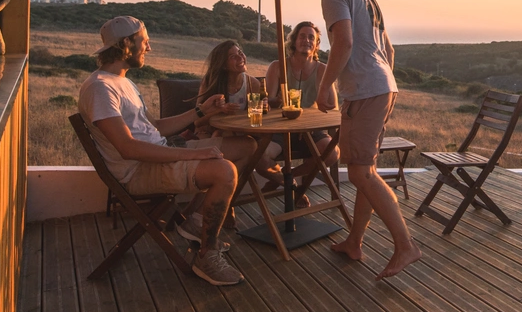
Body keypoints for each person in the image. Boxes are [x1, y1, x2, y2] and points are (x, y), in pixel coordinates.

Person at [78, 16, 253, 286]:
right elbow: (128, 148)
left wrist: (201, 111)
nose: (149, 48)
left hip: (161, 152)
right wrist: (194, 154)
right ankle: (207, 254)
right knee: (224, 172)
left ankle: (195, 222)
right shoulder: (100, 88)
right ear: (126, 44)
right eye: (144, 41)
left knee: (246, 146)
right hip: (139, 170)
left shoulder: (123, 82)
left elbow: (156, 127)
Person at [301, 0, 421, 279]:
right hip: (382, 87)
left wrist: (325, 87)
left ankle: (405, 245)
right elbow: (389, 50)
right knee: (365, 169)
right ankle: (354, 241)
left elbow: (344, 41)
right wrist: (381, 81)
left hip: (366, 91)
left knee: (359, 172)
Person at [264, 22, 339, 206]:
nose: (307, 40)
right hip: (281, 128)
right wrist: (276, 101)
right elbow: (268, 102)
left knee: (332, 153)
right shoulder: (278, 67)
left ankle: (287, 178)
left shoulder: (322, 70)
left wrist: (313, 118)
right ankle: (292, 187)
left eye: (311, 37)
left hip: (311, 129)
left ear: (316, 44)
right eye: (302, 36)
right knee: (260, 155)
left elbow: (333, 108)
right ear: (294, 41)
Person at [195, 40, 283, 189]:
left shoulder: (252, 84)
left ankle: (288, 184)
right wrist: (218, 110)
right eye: (233, 56)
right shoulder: (211, 83)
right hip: (210, 133)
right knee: (238, 153)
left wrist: (265, 107)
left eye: (240, 53)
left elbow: (259, 117)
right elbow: (198, 122)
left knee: (254, 154)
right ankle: (288, 183)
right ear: (223, 65)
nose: (240, 57)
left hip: (242, 135)